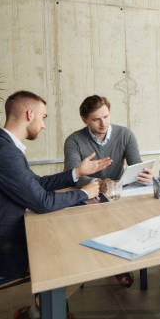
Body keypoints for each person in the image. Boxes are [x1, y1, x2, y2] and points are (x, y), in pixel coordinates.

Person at [0, 91, 111, 317]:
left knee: (70, 241)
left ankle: (41, 310)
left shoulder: (3, 147)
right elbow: (42, 202)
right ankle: (44, 310)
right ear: (29, 114)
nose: (43, 125)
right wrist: (83, 193)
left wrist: (76, 173)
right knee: (77, 252)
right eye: (43, 117)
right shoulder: (3, 153)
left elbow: (37, 184)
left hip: (0, 234)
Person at [64, 95, 153, 287]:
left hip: (118, 196)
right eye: (96, 119)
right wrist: (98, 182)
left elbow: (136, 166)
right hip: (89, 196)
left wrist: (145, 175)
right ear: (84, 120)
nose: (103, 123)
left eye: (106, 116)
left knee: (129, 220)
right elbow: (71, 175)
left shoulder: (125, 134)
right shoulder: (74, 140)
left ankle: (119, 265)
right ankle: (101, 265)